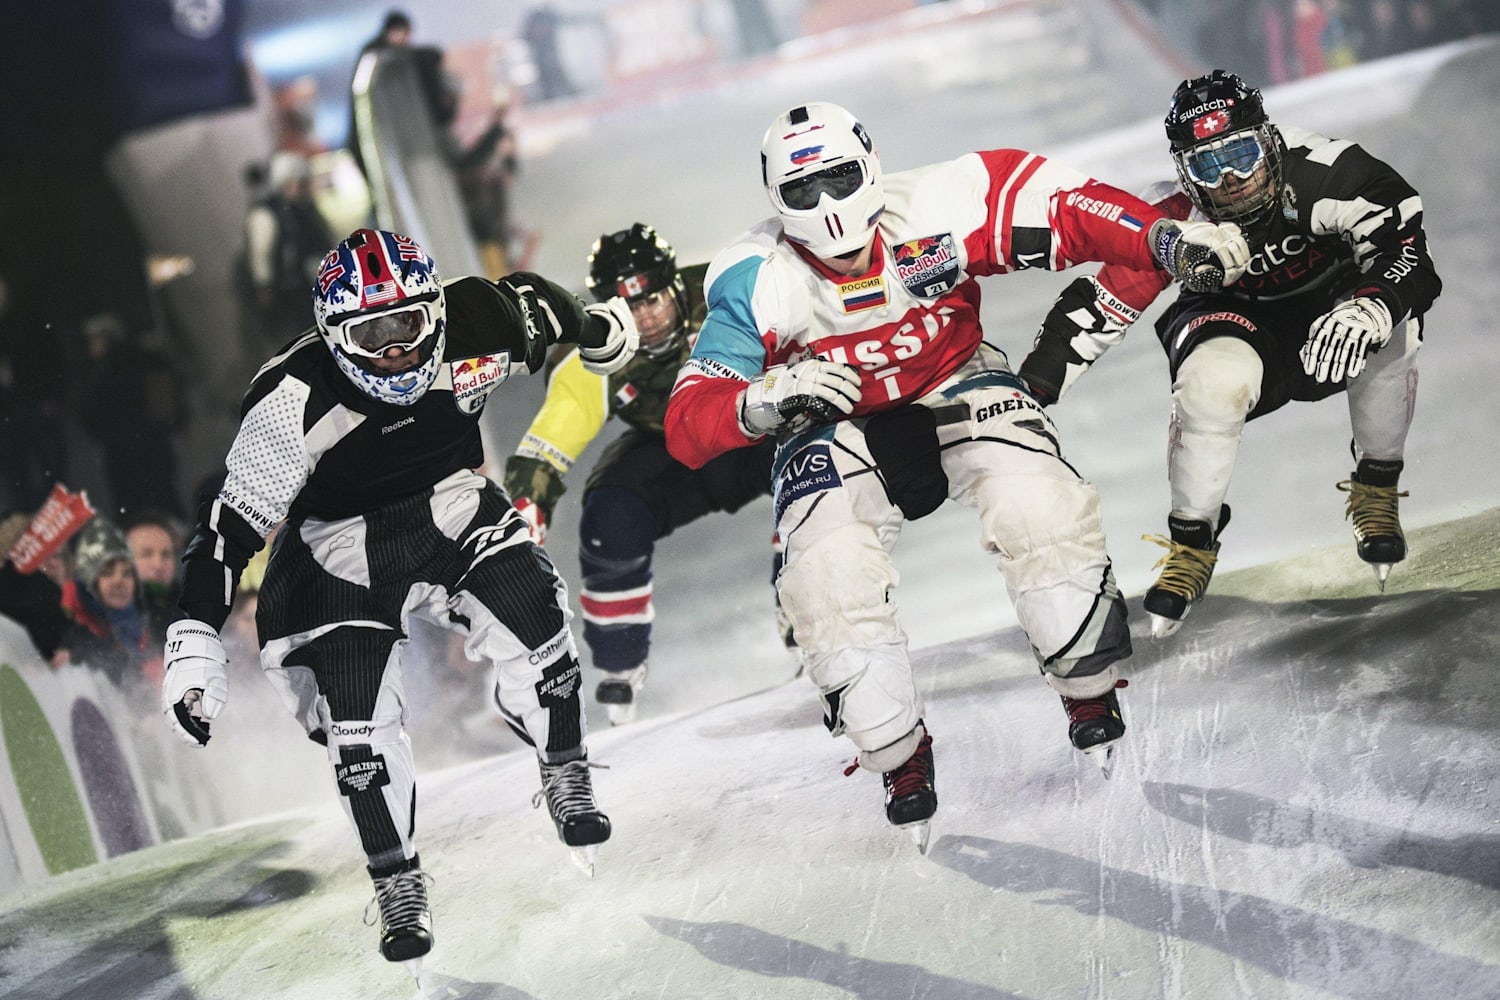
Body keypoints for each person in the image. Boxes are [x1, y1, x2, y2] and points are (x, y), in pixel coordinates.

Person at [662, 101, 1249, 842]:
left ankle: (1087, 686)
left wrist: (1163, 240)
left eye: (839, 178)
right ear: (777, 201)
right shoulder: (754, 277)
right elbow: (687, 427)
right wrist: (761, 398)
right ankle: (895, 752)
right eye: (804, 192)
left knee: (1041, 508)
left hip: (957, 378)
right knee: (825, 579)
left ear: (871, 166)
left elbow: (1071, 212)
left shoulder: (943, 203)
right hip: (829, 422)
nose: (829, 207)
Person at [158, 228, 639, 968]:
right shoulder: (292, 397)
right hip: (336, 543)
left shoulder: (483, 318)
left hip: (449, 502)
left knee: (536, 613)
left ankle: (565, 764)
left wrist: (601, 326)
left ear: (436, 311)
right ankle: (396, 878)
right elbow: (228, 527)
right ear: (331, 335)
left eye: (408, 324)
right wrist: (193, 636)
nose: (396, 351)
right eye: (371, 334)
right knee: (355, 721)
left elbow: (551, 306)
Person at [1018, 69, 1440, 637]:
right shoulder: (1171, 218)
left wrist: (1374, 304)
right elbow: (1100, 304)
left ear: (1269, 140)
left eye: (1241, 153)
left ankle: (1377, 485)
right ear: (1183, 174)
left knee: (1393, 331)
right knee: (1211, 384)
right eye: (1209, 165)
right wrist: (1029, 394)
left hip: (1335, 306)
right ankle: (1193, 543)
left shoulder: (1332, 170)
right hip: (1236, 321)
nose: (1234, 179)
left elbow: (1408, 248)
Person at [503, 224, 780, 725]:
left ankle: (806, 602)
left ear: (677, 287)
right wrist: (525, 521)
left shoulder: (733, 296)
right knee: (609, 520)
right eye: (630, 307)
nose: (647, 318)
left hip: (755, 421)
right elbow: (545, 450)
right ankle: (618, 668)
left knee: (815, 468)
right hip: (668, 444)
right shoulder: (592, 355)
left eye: (654, 298)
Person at [64, 516, 166, 690]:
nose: (119, 582)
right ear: (91, 584)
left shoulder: (159, 621)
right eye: (107, 573)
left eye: (127, 573)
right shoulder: (78, 638)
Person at [244, 151, 333, 348]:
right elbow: (261, 252)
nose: (298, 189)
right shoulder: (266, 213)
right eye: (293, 183)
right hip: (287, 291)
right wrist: (264, 285)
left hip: (309, 285)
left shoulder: (300, 210)